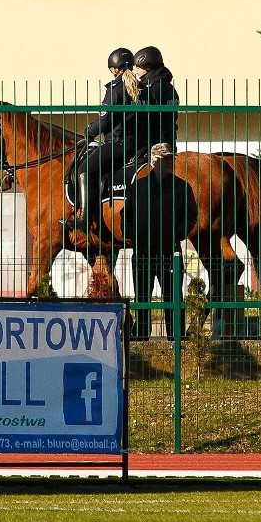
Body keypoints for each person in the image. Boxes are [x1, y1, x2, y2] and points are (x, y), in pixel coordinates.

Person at [66, 48, 142, 230]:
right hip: (137, 142)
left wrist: (90, 131)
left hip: (119, 142)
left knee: (84, 170)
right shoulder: (139, 87)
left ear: (114, 68)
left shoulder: (116, 89)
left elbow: (106, 118)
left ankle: (84, 219)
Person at [128, 143, 195, 340]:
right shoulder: (137, 188)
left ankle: (177, 337)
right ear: (153, 161)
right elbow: (127, 215)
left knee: (173, 296)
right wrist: (133, 233)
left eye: (170, 159)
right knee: (142, 297)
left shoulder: (181, 188)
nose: (168, 163)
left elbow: (191, 216)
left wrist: (176, 233)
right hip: (142, 252)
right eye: (163, 159)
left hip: (169, 253)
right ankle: (141, 335)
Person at [132, 46, 180, 152]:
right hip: (169, 143)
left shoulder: (150, 88)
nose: (135, 72)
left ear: (148, 67)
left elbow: (145, 119)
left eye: (138, 68)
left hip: (152, 146)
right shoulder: (169, 88)